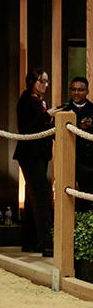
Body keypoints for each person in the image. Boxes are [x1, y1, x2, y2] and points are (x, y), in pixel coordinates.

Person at [15, 68, 61, 256]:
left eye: (47, 81)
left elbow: (41, 125)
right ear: (32, 81)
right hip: (30, 155)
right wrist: (48, 114)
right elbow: (27, 127)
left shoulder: (38, 100)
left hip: (40, 154)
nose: (46, 85)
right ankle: (46, 245)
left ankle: (30, 242)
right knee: (41, 197)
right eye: (42, 81)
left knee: (32, 198)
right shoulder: (25, 100)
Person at [63, 77, 93, 212]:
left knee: (87, 195)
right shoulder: (63, 110)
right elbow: (53, 133)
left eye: (80, 90)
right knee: (66, 194)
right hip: (69, 158)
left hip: (89, 161)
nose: (76, 93)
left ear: (87, 91)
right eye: (73, 89)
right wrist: (78, 127)